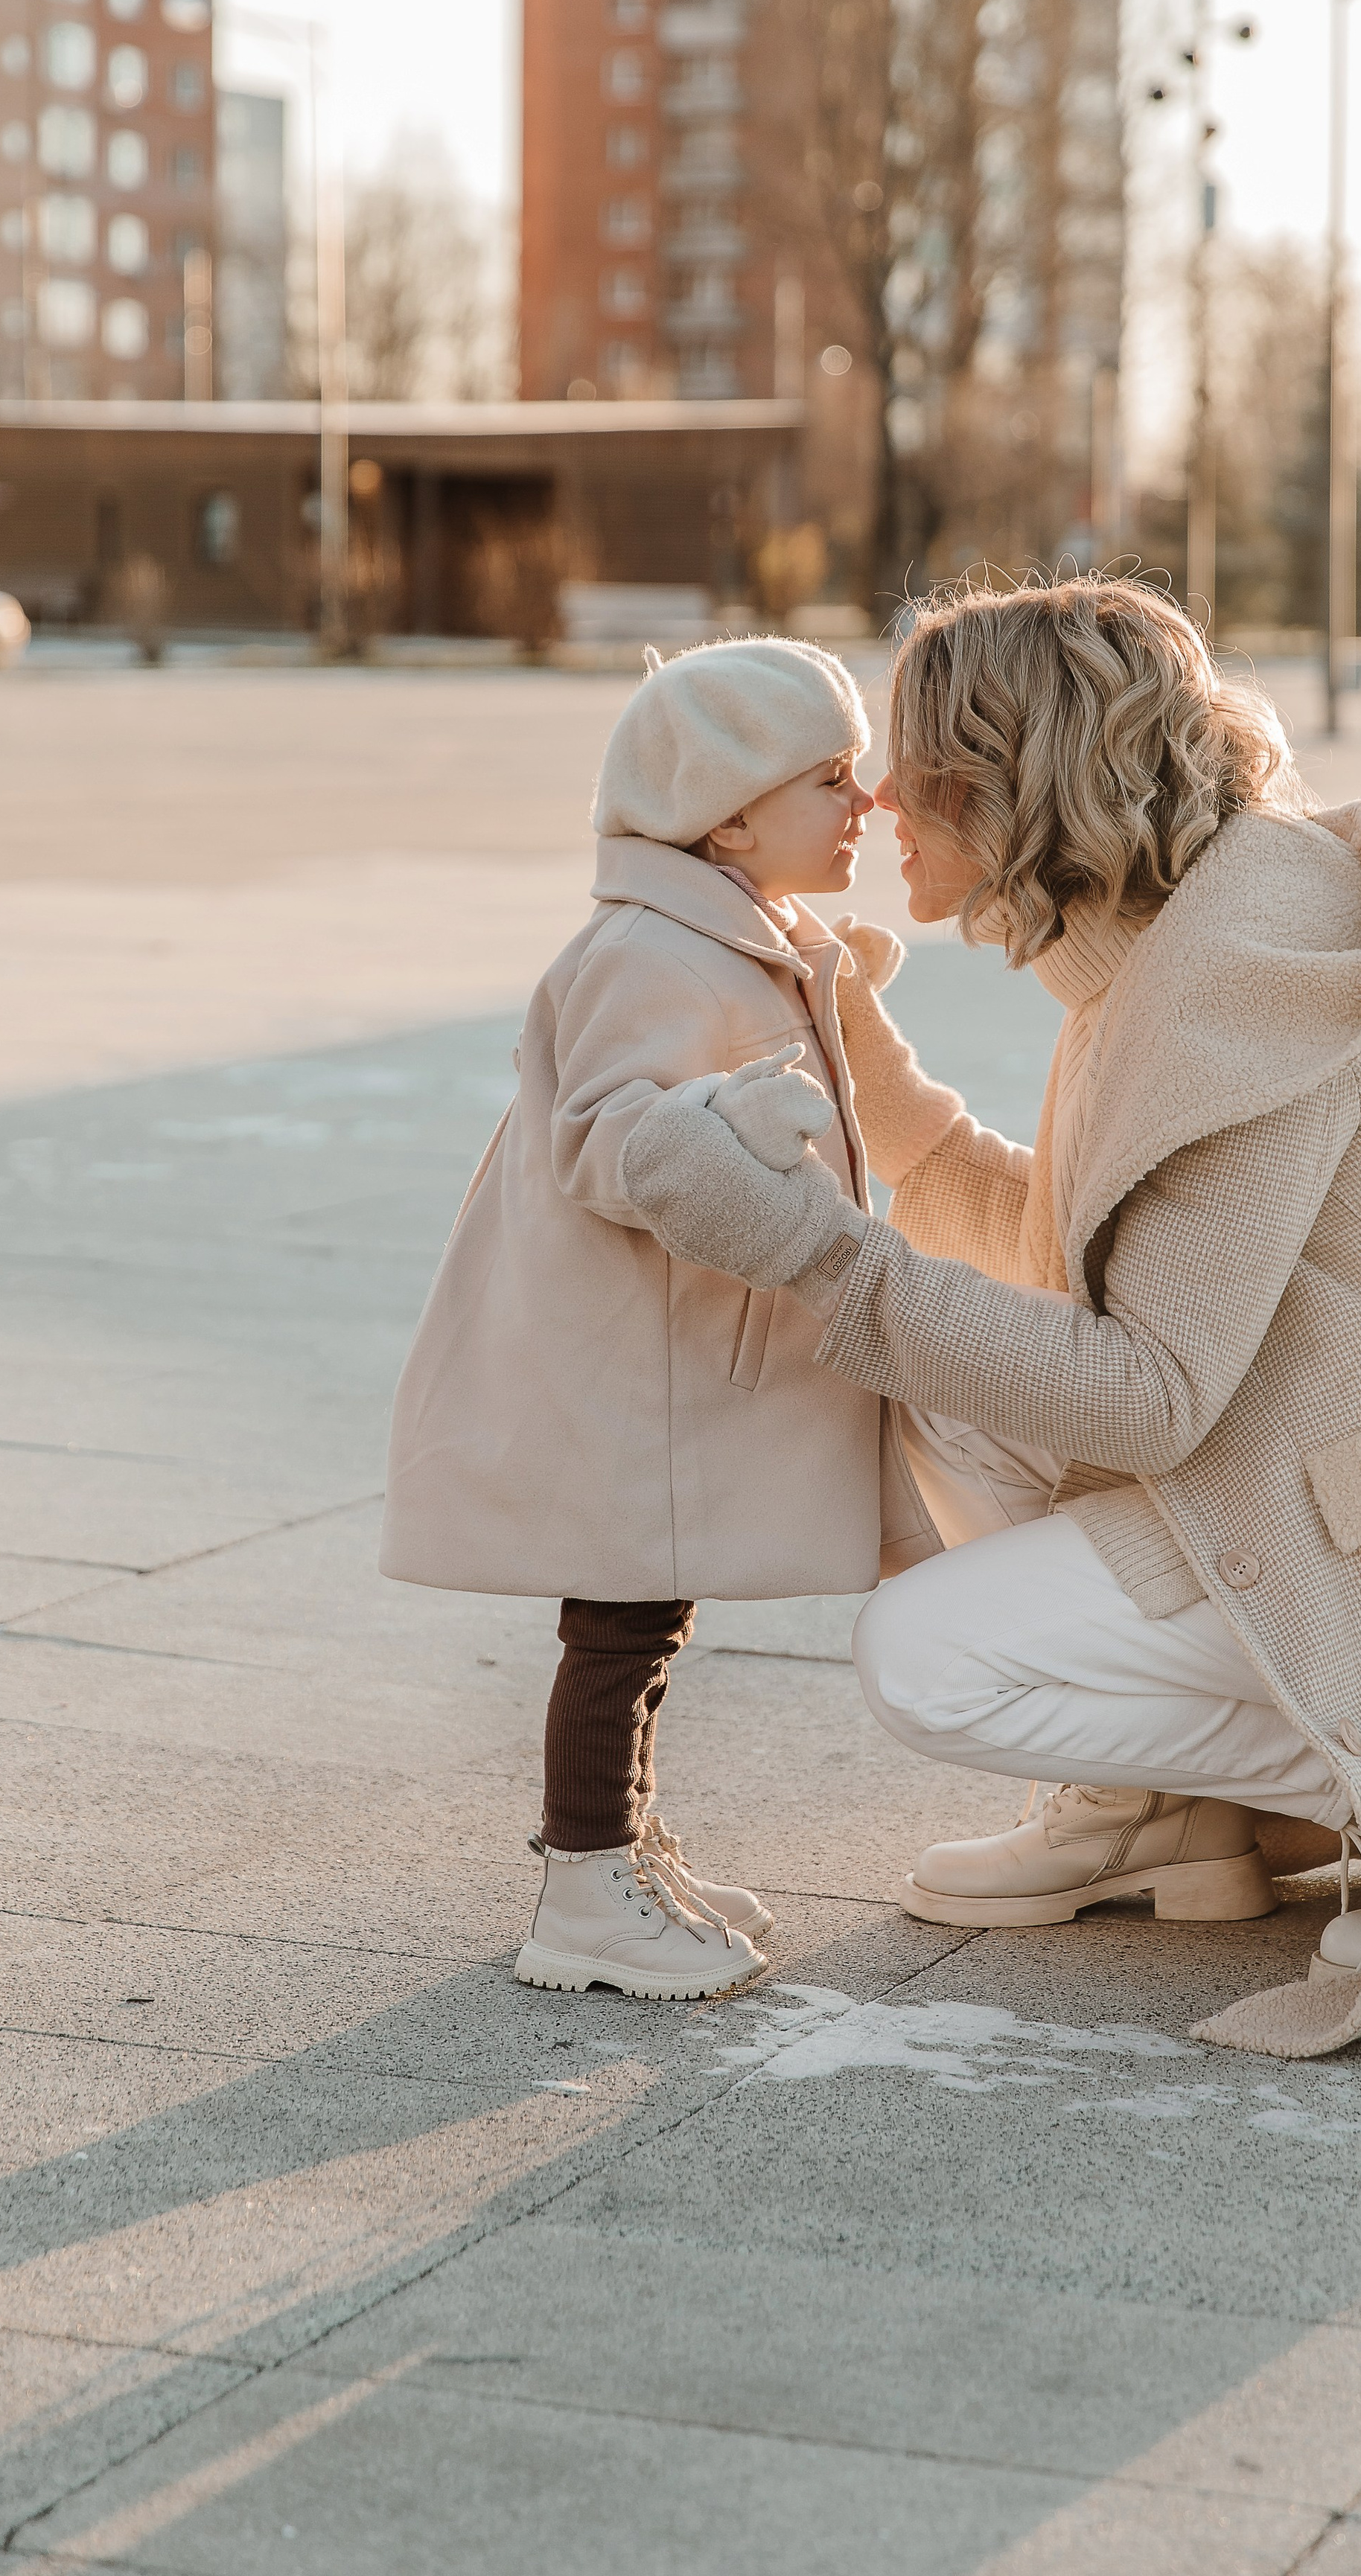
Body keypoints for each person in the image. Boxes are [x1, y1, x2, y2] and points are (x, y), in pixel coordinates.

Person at [615, 575, 1361, 2059]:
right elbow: (1071, 1257)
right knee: (938, 1379)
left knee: (925, 1658)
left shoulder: (1242, 987)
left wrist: (825, 1259)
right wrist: (876, 1087)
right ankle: (1150, 1818)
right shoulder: (1180, 957)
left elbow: (1148, 1388)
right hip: (1352, 1477)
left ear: (1022, 784)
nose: (885, 793)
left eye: (926, 763)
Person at [379, 638, 934, 2001]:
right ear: (729, 816)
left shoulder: (739, 936)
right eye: (831, 778)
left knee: (646, 1616)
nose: (865, 802)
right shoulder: (644, 953)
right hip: (630, 1372)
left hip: (673, 1357)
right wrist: (723, 1118)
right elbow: (608, 1137)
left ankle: (621, 1847)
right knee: (618, 1625)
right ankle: (584, 1887)